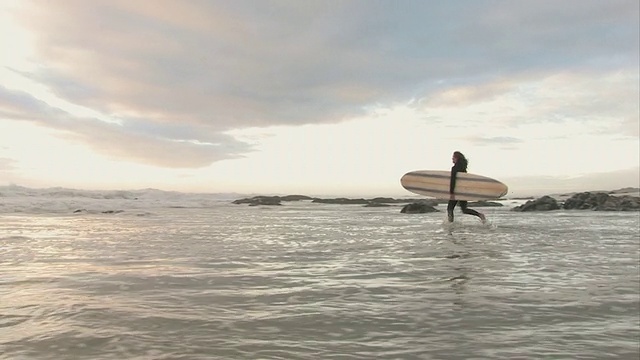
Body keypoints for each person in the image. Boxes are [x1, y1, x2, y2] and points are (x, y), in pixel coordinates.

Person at [447, 151, 486, 223]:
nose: (452, 158)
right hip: (463, 191)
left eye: (453, 157)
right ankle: (480, 215)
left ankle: (450, 224)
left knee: (450, 209)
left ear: (457, 158)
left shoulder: (454, 168)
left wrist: (451, 192)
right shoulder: (463, 168)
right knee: (464, 209)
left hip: (456, 191)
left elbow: (453, 181)